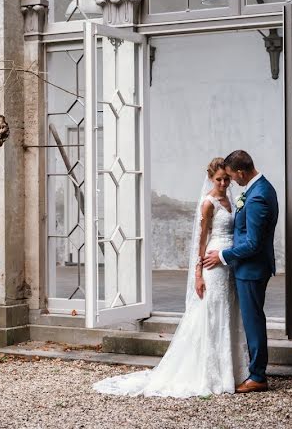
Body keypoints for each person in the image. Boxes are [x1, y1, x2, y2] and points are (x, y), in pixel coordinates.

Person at [92, 157, 249, 397]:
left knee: (229, 309)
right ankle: (209, 372)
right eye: (219, 179)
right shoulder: (208, 203)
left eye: (227, 178)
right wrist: (198, 272)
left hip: (230, 261)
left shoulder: (231, 199)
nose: (224, 183)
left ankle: (232, 370)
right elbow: (201, 238)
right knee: (212, 311)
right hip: (212, 263)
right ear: (210, 178)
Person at [203, 150, 278, 393]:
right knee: (251, 319)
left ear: (241, 172)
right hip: (248, 268)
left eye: (233, 177)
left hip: (251, 270)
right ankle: (252, 370)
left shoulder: (257, 197)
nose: (232, 181)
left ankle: (257, 376)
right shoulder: (261, 188)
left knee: (253, 321)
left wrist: (224, 255)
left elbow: (253, 243)